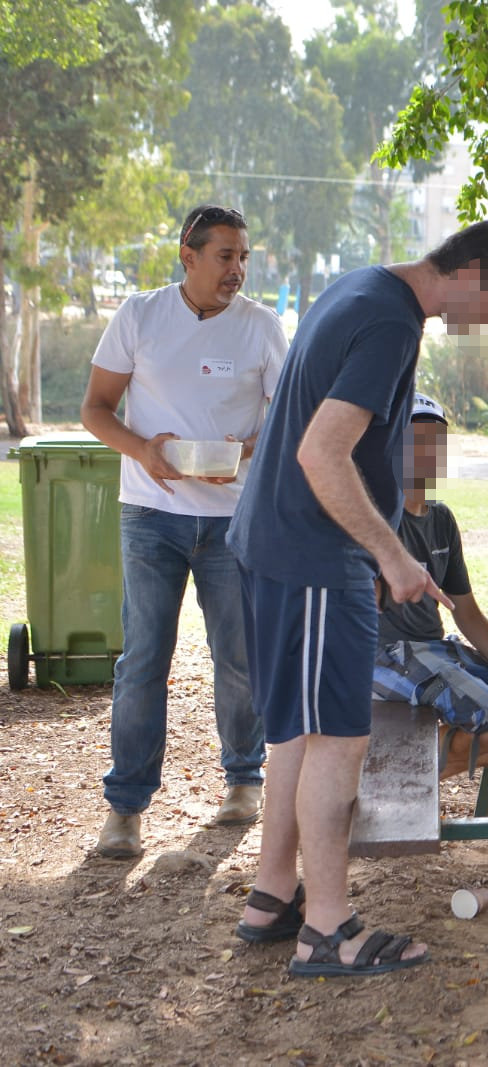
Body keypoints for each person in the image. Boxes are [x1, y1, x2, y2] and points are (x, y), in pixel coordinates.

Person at [227, 220, 488, 975]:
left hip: (285, 548)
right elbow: (320, 450)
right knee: (339, 739)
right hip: (311, 558)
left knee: (297, 736)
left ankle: (273, 894)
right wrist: (391, 553)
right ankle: (329, 929)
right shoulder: (392, 322)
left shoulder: (365, 286)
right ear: (470, 272)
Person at [81, 204, 286, 858]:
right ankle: (126, 809)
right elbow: (95, 408)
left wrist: (247, 449)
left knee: (240, 655)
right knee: (143, 659)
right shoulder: (139, 315)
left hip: (233, 520)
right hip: (150, 515)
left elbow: (287, 421)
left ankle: (244, 780)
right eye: (225, 256)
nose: (238, 270)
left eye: (244, 257)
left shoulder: (262, 328)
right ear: (187, 254)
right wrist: (143, 450)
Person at [371, 393, 488, 779]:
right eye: (416, 441)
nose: (428, 453)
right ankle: (404, 776)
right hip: (386, 655)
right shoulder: (377, 516)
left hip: (435, 648)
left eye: (436, 443)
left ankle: (411, 775)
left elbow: (466, 612)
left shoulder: (441, 519)